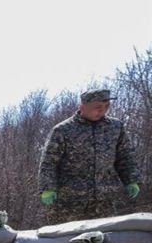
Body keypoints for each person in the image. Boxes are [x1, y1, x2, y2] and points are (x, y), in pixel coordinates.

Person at [38, 89, 142, 224]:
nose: (102, 111)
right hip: (70, 201)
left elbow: (125, 156)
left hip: (105, 199)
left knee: (102, 240)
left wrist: (131, 180)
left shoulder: (116, 127)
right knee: (70, 240)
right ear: (82, 107)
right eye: (97, 107)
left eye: (106, 107)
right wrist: (47, 188)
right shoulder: (63, 130)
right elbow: (49, 162)